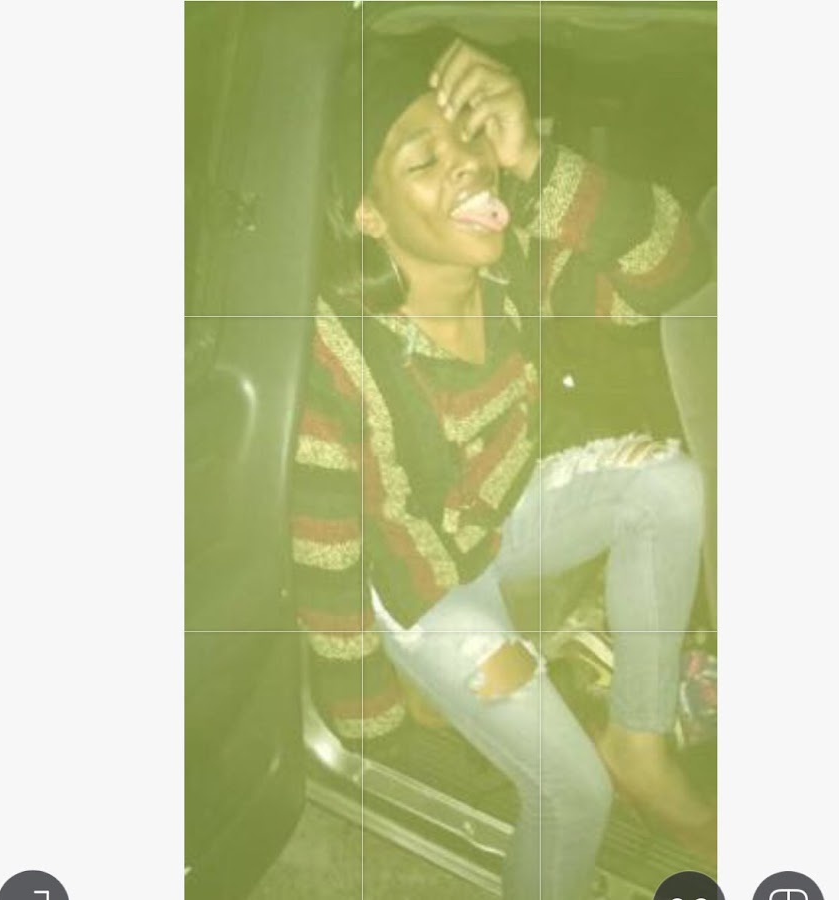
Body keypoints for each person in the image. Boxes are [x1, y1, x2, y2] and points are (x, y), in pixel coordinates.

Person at [290, 32, 715, 899]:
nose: (468, 163)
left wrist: (534, 160)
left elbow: (672, 270)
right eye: (424, 160)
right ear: (369, 214)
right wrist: (376, 713)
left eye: (469, 138)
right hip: (424, 594)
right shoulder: (338, 356)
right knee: (573, 796)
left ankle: (638, 740)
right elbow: (326, 552)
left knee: (670, 486)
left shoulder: (511, 263)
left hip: (502, 519)